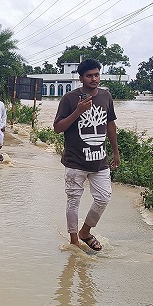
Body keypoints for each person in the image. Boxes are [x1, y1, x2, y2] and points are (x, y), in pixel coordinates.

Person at [52, 58, 120, 251]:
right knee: (73, 201)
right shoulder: (69, 99)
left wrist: (115, 152)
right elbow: (58, 128)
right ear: (81, 78)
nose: (94, 79)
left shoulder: (106, 96)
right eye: (89, 76)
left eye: (96, 75)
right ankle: (74, 241)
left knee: (103, 197)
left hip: (100, 161)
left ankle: (85, 232)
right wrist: (78, 111)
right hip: (75, 162)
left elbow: (110, 126)